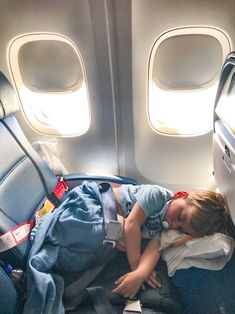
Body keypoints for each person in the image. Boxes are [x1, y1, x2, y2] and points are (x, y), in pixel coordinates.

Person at [111, 184, 234, 299]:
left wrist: (140, 274)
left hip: (115, 221)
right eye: (180, 217)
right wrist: (135, 266)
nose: (173, 224)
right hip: (106, 202)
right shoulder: (157, 195)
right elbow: (132, 224)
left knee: (118, 236)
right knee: (120, 231)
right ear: (180, 195)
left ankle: (109, 236)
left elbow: (155, 249)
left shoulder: (166, 227)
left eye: (181, 228)